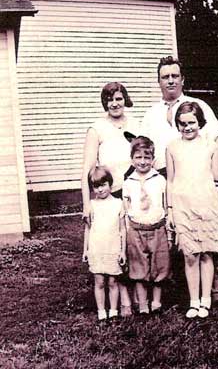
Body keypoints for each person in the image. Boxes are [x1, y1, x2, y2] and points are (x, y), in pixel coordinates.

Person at [141, 56, 218, 303]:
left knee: (211, 240)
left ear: (182, 79)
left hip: (201, 179)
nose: (170, 80)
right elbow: (143, 149)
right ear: (158, 82)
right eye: (165, 77)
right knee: (178, 238)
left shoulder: (198, 105)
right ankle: (184, 293)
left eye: (174, 76)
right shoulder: (151, 114)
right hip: (167, 179)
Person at [81, 82, 139, 317]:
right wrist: (87, 203)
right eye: (110, 99)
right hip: (109, 194)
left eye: (119, 98)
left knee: (132, 242)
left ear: (125, 99)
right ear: (104, 103)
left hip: (133, 191)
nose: (115, 103)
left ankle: (138, 293)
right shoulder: (97, 128)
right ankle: (123, 298)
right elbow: (86, 169)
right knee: (112, 243)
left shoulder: (135, 123)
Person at [166, 101, 218, 318]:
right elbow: (170, 181)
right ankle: (193, 301)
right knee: (191, 255)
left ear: (199, 122)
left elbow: (217, 176)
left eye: (191, 122)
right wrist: (170, 209)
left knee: (206, 253)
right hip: (183, 205)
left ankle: (206, 301)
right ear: (177, 125)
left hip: (206, 204)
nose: (187, 127)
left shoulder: (211, 146)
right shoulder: (172, 147)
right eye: (182, 124)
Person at [122, 136, 171, 314]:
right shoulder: (128, 183)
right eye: (138, 157)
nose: (143, 162)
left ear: (153, 159)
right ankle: (143, 305)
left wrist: (169, 231)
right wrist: (127, 232)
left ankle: (156, 303)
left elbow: (166, 206)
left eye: (147, 157)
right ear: (132, 159)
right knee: (138, 268)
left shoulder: (160, 181)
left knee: (160, 266)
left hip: (157, 229)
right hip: (136, 231)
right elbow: (126, 209)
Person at [82, 166, 127, 321]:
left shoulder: (118, 203)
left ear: (110, 184)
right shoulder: (91, 205)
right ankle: (102, 312)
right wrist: (85, 250)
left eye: (103, 185)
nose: (100, 189)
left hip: (113, 247)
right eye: (96, 186)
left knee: (113, 281)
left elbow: (123, 229)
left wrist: (123, 251)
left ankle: (113, 311)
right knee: (99, 281)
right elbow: (87, 229)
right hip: (97, 248)